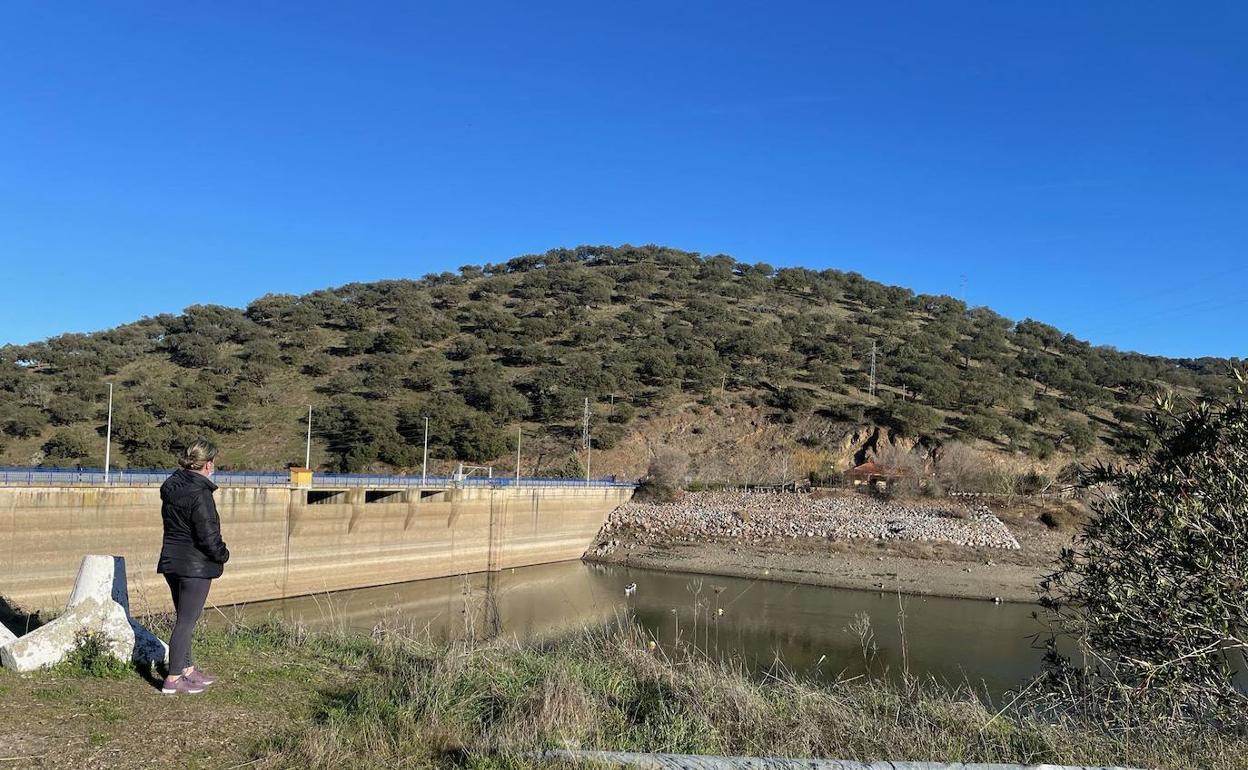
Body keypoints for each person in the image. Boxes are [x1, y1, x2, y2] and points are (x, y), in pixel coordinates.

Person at [156, 438, 230, 695]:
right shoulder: (200, 493)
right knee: (186, 622)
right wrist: (223, 554)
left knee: (183, 619)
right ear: (208, 464)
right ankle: (173, 679)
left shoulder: (172, 487)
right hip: (194, 566)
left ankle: (187, 669)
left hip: (171, 562)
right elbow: (208, 534)